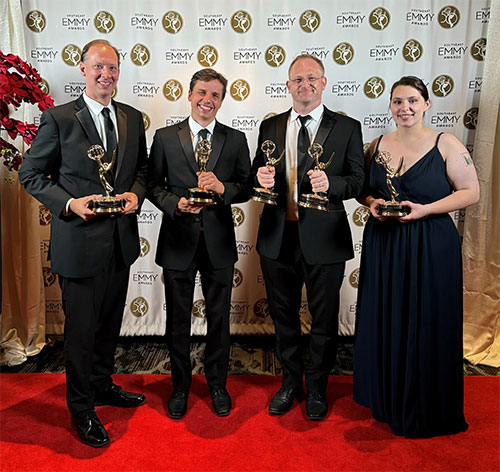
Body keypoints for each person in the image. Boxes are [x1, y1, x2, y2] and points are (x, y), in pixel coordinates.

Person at [19, 39, 148, 448]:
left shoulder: (131, 117)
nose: (105, 74)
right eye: (98, 67)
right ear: (83, 69)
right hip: (78, 244)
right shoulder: (58, 119)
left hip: (121, 244)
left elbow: (141, 169)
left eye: (112, 68)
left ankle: (102, 385)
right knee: (80, 332)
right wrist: (71, 203)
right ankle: (81, 409)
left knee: (109, 325)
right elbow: (31, 174)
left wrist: (136, 195)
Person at [353, 76, 479, 437]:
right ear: (390, 106)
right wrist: (373, 202)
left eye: (412, 101)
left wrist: (426, 210)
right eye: (397, 101)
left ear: (426, 104)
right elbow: (364, 192)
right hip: (385, 245)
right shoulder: (376, 144)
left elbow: (471, 192)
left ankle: (426, 406)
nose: (404, 108)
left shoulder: (447, 143)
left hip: (431, 244)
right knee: (388, 317)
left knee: (427, 319)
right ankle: (389, 398)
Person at [251, 54, 365, 420]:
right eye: (297, 79)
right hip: (277, 236)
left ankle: (316, 388)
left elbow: (358, 181)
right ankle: (289, 383)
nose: (305, 85)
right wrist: (261, 179)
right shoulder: (270, 127)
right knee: (283, 316)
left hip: (325, 238)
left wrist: (332, 184)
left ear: (324, 82)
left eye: (312, 78)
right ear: (288, 86)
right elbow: (258, 170)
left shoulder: (347, 127)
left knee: (324, 318)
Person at [147, 68, 251, 419]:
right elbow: (152, 185)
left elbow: (246, 186)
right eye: (202, 93)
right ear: (189, 95)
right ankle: (180, 387)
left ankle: (218, 384)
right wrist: (174, 204)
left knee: (219, 319)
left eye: (216, 95)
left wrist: (223, 189)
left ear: (222, 100)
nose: (208, 100)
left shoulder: (235, 139)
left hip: (218, 244)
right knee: (177, 319)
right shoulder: (164, 137)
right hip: (177, 240)